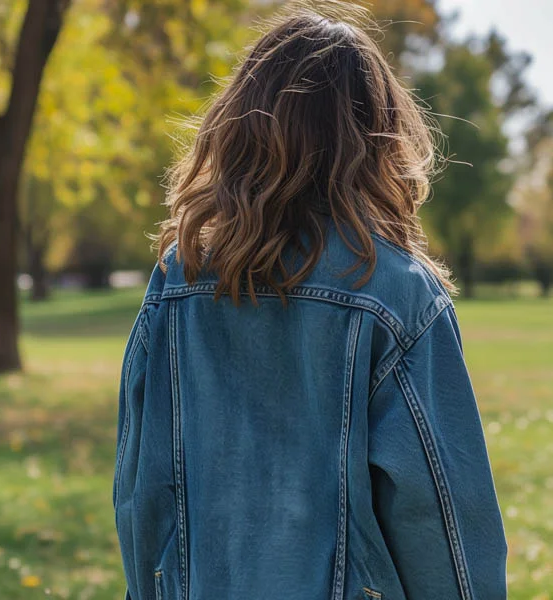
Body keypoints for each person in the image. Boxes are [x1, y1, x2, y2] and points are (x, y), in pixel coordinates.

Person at [113, 4, 507, 599]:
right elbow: (443, 518)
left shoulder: (176, 281)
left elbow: (141, 490)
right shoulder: (398, 293)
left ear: (238, 125)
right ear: (377, 137)